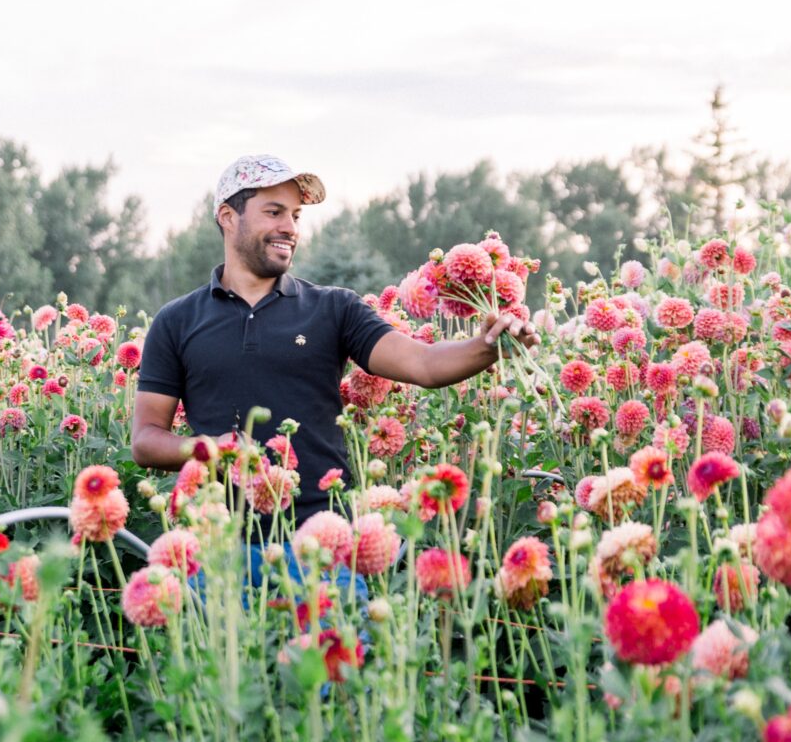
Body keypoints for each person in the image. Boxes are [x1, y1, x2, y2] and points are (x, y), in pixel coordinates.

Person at [132, 153, 540, 529]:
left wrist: (488, 346)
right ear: (227, 216)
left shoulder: (332, 309)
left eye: (295, 215)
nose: (289, 227)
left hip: (322, 539)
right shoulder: (177, 321)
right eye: (273, 212)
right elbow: (146, 440)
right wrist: (207, 449)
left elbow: (425, 364)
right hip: (216, 542)